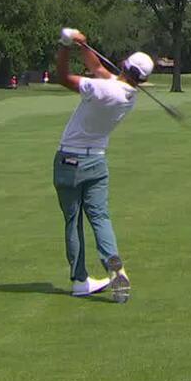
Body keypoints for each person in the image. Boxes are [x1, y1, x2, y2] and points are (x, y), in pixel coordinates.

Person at [50, 28, 152, 300]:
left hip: (69, 161)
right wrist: (84, 45)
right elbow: (96, 67)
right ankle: (116, 271)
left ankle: (80, 280)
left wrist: (65, 45)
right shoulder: (129, 95)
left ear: (123, 64)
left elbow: (62, 77)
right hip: (97, 162)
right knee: (100, 218)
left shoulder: (101, 88)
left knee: (73, 221)